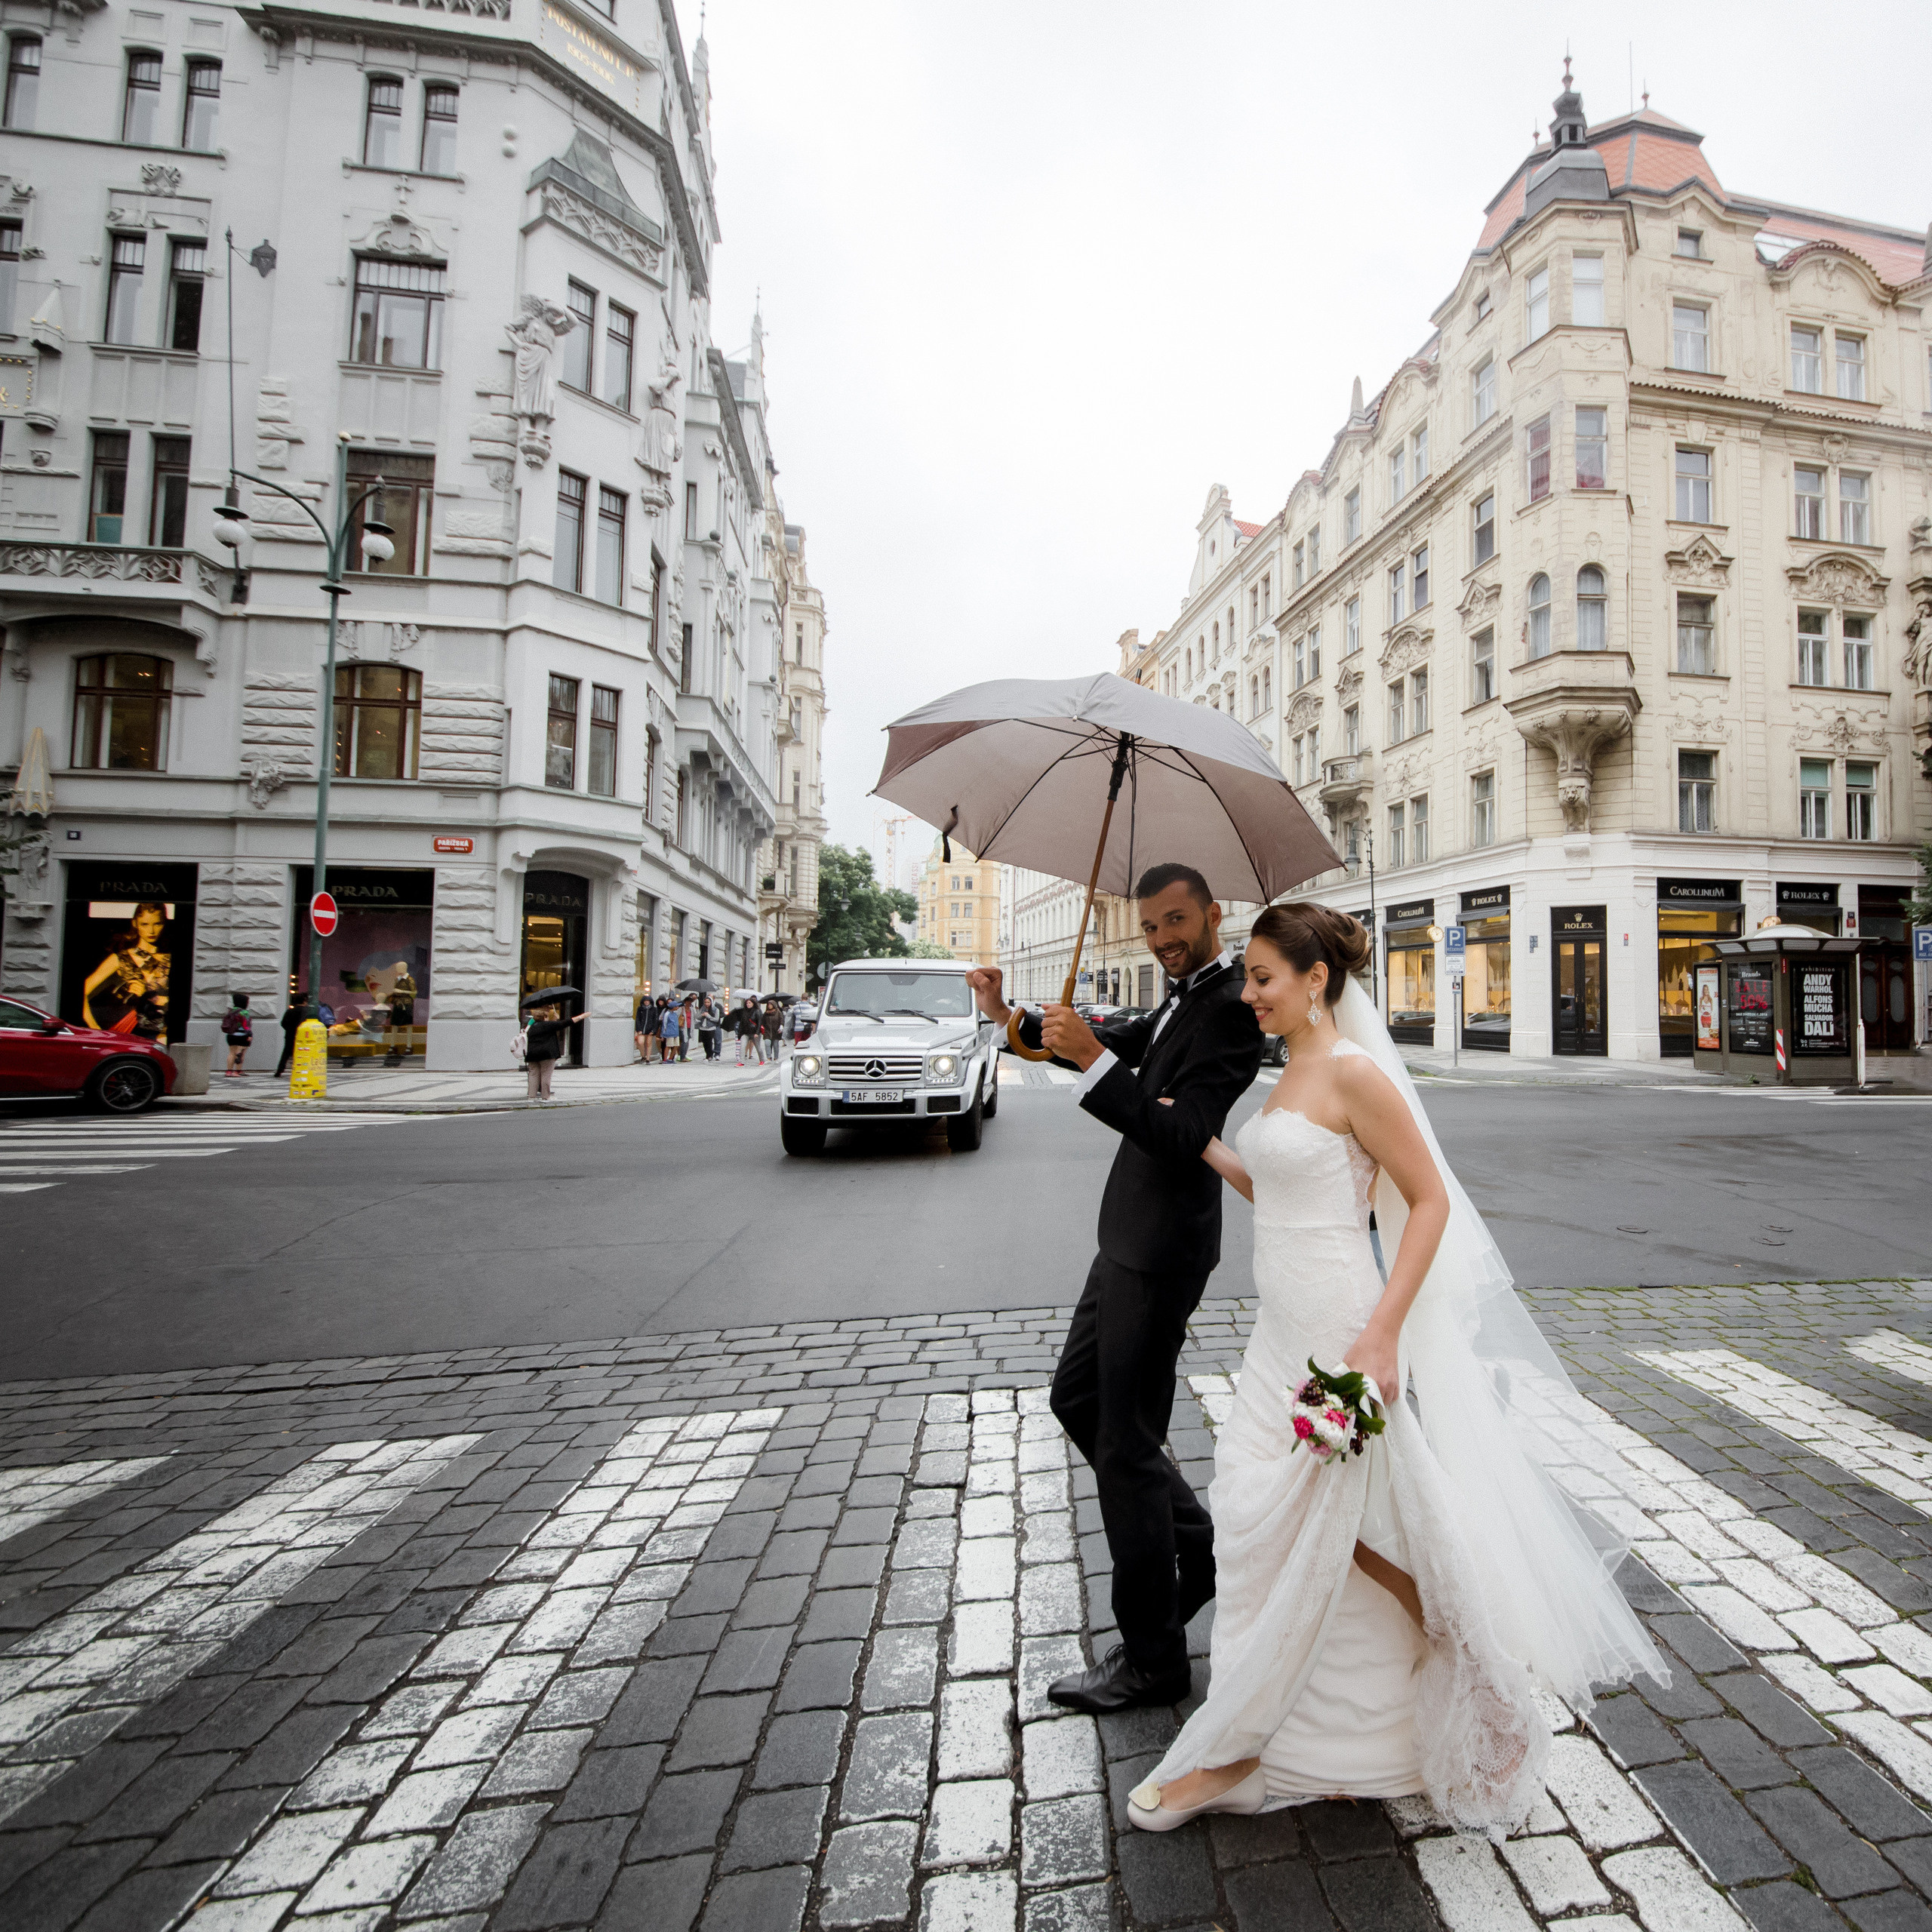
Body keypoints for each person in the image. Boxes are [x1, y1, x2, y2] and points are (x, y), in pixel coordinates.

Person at [1122, 904, 1663, 1838]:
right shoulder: (1290, 1069)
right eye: (1247, 978)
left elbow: (1426, 1201)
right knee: (1273, 1520)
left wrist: (1379, 1335)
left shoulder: (1354, 1072)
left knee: (1354, 1526)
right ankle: (1342, 1728)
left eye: (1261, 977)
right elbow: (1285, 1190)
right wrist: (1197, 1139)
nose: (1246, 993)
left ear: (1314, 980)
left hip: (1341, 1328)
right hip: (1275, 1333)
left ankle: (1284, 1732)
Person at [966, 862, 1261, 1717]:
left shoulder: (1232, 1008)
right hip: (1124, 1237)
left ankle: (1153, 1656)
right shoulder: (1180, 993)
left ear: (1212, 912)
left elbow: (1179, 1133)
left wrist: (1099, 1060)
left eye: (1176, 921)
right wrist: (1006, 1018)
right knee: (1075, 1398)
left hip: (1163, 1246)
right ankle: (1196, 1542)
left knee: (1125, 1444)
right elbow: (1111, 1045)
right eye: (1150, 928)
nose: (1164, 938)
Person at [82, 902, 171, 1039]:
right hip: (128, 1035)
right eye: (144, 924)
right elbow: (82, 992)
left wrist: (151, 997)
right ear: (135, 923)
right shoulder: (121, 959)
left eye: (157, 924)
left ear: (164, 924)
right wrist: (96, 1030)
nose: (151, 931)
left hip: (164, 1035)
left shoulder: (169, 959)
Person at [522, 1000, 583, 1100]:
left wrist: (554, 1021)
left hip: (532, 1054)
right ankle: (545, 1097)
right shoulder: (548, 1025)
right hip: (547, 1054)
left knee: (533, 1075)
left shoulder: (532, 1027)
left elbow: (549, 1028)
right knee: (546, 1075)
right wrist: (582, 1016)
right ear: (544, 1017)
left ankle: (531, 1097)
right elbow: (565, 1023)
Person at [275, 997, 312, 1078]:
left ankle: (280, 1070)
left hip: (290, 1035)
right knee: (302, 1053)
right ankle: (300, 1070)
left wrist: (289, 1030)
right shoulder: (306, 1011)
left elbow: (283, 1023)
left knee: (286, 1053)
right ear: (304, 1001)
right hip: (302, 1036)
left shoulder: (290, 1011)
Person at [220, 992, 254, 1076]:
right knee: (240, 1054)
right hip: (242, 1036)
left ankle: (229, 1071)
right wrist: (250, 1035)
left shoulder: (231, 1011)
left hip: (231, 1036)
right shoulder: (244, 1013)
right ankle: (237, 1071)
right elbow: (246, 1026)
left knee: (231, 1053)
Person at [659, 998, 683, 1063]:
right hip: (669, 1032)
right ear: (673, 1007)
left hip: (676, 1032)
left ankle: (670, 1058)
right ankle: (665, 1059)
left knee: (676, 1045)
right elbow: (664, 1024)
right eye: (676, 1006)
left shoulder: (675, 1013)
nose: (677, 1007)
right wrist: (662, 1035)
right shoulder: (667, 1014)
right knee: (668, 1046)